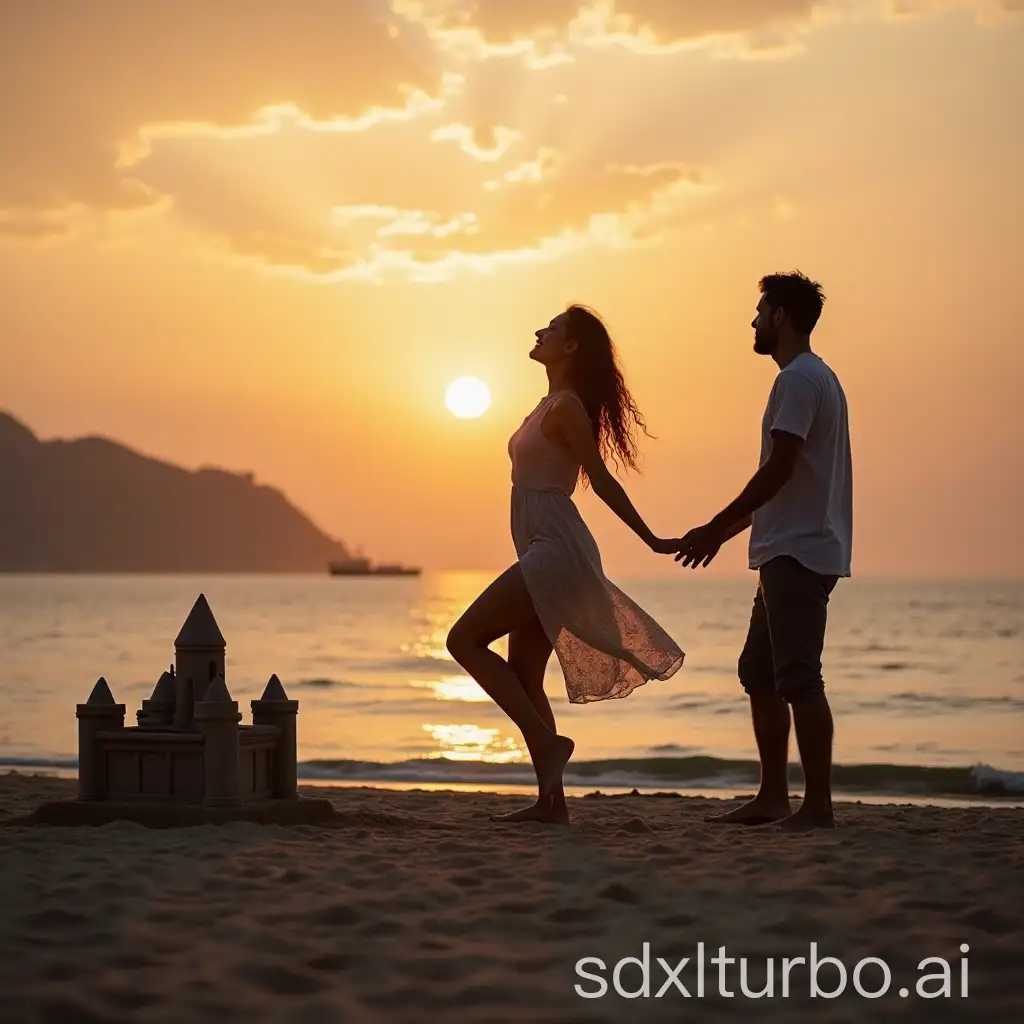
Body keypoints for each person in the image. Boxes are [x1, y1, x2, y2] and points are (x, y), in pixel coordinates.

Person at [446, 305, 685, 824]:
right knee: (525, 673)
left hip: (556, 550)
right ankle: (552, 804)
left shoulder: (567, 410)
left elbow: (600, 480)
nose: (539, 330)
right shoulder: (548, 403)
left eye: (551, 327)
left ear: (571, 346)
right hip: (540, 546)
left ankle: (544, 742)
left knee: (462, 641)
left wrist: (651, 540)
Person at [674, 271, 852, 831]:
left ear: (780, 316)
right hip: (785, 548)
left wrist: (713, 525)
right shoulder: (813, 378)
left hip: (798, 552)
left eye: (760, 311)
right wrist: (719, 536)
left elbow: (778, 469)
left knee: (799, 677)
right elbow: (776, 482)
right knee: (759, 672)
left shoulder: (800, 381)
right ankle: (774, 796)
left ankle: (817, 807)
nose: (752, 321)